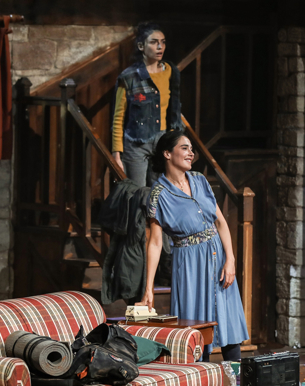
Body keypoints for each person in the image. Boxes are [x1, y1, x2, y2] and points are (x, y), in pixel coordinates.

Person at [139, 131, 249, 361]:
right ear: (167, 154)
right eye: (184, 148)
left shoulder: (199, 180)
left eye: (191, 148)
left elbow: (220, 222)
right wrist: (149, 287)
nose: (191, 153)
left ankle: (237, 378)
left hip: (217, 258)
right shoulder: (158, 195)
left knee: (229, 324)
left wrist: (230, 259)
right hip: (190, 265)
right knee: (197, 328)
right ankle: (201, 378)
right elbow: (155, 243)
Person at [112, 22, 183, 186]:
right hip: (136, 143)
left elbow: (174, 107)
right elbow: (118, 117)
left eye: (163, 42)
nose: (160, 47)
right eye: (154, 42)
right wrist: (116, 154)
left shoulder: (170, 72)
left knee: (160, 192)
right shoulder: (129, 77)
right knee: (137, 193)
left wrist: (174, 140)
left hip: (162, 142)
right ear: (141, 46)